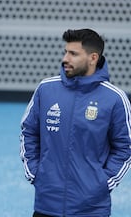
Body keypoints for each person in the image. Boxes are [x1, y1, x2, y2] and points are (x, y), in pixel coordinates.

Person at [20, 28, 131, 217]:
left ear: (93, 58)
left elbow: (125, 148)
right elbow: (29, 132)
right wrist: (36, 174)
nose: (65, 58)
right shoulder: (46, 89)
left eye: (73, 54)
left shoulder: (115, 98)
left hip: (92, 209)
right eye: (65, 52)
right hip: (47, 205)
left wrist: (102, 183)